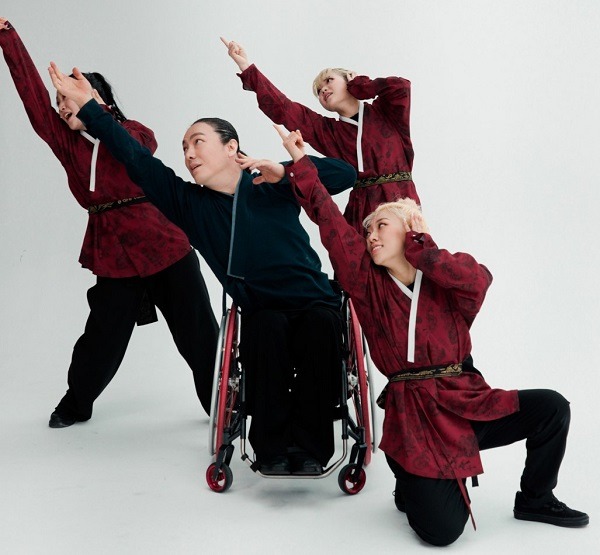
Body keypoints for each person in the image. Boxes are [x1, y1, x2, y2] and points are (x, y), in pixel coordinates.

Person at [272, 127, 589, 545]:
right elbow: (329, 220)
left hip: (466, 401)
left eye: (381, 225)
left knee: (552, 408)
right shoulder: (366, 282)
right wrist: (301, 163)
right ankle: (410, 476)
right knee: (442, 533)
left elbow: (479, 280)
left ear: (411, 230)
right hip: (417, 416)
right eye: (367, 231)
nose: (370, 235)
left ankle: (536, 498)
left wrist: (422, 248)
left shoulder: (444, 278)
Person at [47, 63, 358, 475]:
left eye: (198, 142)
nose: (189, 154)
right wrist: (91, 108)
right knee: (267, 332)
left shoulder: (270, 182)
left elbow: (346, 174)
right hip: (261, 309)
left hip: (314, 299)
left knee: (319, 328)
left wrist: (287, 171)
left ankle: (312, 450)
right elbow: (136, 159)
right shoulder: (190, 205)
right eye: (184, 148)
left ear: (231, 148)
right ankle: (272, 451)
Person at [0, 19, 219, 427]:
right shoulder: (67, 144)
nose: (62, 105)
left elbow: (139, 149)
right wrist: (7, 36)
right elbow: (32, 99)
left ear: (96, 98)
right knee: (101, 337)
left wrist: (93, 109)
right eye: (60, 99)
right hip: (113, 251)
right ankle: (76, 403)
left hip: (164, 244)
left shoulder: (133, 131)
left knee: (199, 334)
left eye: (69, 97)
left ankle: (223, 406)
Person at [221, 37, 419, 232]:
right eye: (318, 90)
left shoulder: (386, 112)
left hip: (402, 200)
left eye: (329, 80)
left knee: (413, 250)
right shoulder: (327, 131)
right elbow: (284, 108)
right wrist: (246, 66)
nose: (323, 89)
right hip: (362, 212)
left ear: (349, 78)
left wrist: (360, 85)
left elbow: (400, 87)